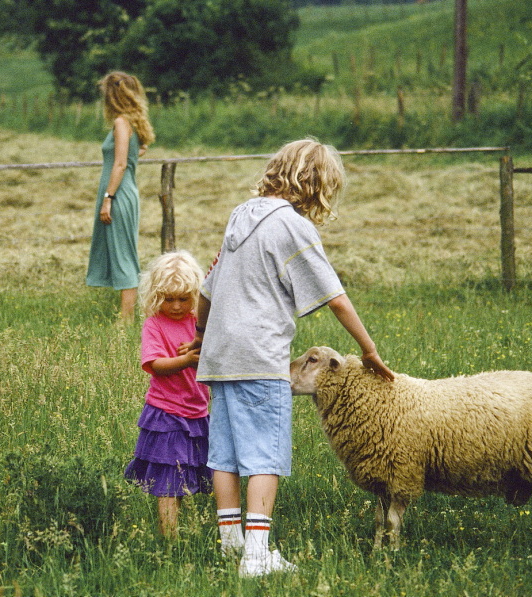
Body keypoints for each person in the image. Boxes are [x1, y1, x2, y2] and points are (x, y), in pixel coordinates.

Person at [182, 139, 395, 577]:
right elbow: (335, 297)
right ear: (317, 184)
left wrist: (200, 334)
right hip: (260, 355)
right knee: (266, 455)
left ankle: (230, 546)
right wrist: (368, 349)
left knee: (224, 454)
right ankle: (256, 556)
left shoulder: (240, 214)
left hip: (222, 354)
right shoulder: (292, 226)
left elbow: (208, 284)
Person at [124, 250, 213, 538]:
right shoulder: (155, 324)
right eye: (168, 298)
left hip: (198, 413)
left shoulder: (199, 324)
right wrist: (186, 360)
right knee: (168, 480)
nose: (175, 306)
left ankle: (185, 532)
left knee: (187, 473)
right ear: (155, 295)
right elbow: (155, 365)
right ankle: (170, 541)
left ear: (196, 296)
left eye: (183, 299)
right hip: (167, 414)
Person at [86, 71, 155, 322]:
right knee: (122, 250)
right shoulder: (131, 123)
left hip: (119, 195)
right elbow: (138, 151)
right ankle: (126, 316)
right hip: (123, 192)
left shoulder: (121, 122)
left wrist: (108, 198)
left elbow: (120, 164)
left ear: (112, 96)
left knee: (123, 253)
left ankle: (126, 321)